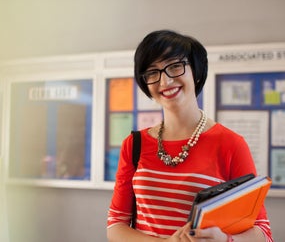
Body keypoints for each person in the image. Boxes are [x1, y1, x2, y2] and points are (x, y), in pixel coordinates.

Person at [107, 30, 273, 242]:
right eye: (152, 72)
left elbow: (263, 232)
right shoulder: (134, 144)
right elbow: (115, 225)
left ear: (195, 71)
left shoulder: (230, 144)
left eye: (175, 66)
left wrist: (225, 240)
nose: (165, 81)